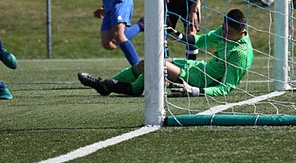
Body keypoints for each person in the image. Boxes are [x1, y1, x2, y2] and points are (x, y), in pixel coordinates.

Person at [77, 8, 253, 98]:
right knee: (147, 63)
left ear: (242, 32)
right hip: (198, 67)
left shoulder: (240, 54)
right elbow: (203, 39)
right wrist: (178, 35)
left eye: (228, 33)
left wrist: (194, 91)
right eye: (223, 29)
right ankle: (104, 85)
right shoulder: (225, 31)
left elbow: (226, 88)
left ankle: (114, 86)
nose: (223, 34)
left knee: (156, 65)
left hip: (200, 79)